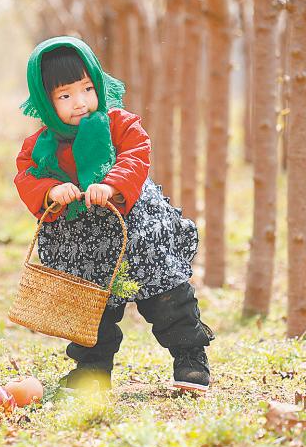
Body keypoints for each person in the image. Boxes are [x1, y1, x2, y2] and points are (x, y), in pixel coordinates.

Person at [13, 36, 215, 393]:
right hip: (79, 243)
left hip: (135, 229)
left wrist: (112, 184)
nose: (80, 102)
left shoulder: (119, 123)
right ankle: (92, 369)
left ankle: (190, 357)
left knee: (166, 296)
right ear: (46, 101)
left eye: (87, 88)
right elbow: (27, 175)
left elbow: (136, 154)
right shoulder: (41, 145)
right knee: (88, 309)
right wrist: (50, 189)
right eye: (64, 96)